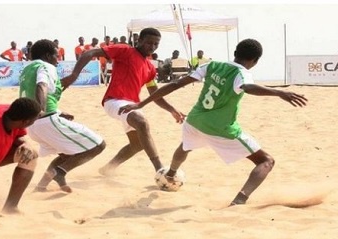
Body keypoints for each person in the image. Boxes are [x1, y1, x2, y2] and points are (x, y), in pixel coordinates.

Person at [118, 39, 308, 206]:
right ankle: (240, 200)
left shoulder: (211, 65)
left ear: (235, 53)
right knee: (266, 161)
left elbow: (175, 84)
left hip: (194, 120)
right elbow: (248, 87)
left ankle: (170, 174)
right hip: (221, 128)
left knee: (185, 146)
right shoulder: (242, 73)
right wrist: (279, 92)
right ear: (255, 62)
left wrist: (141, 103)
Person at [62, 27, 184, 175]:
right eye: (148, 43)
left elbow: (155, 94)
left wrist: (172, 109)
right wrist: (74, 75)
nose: (152, 47)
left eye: (155, 44)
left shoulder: (150, 68)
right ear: (139, 40)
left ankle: (108, 169)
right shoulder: (125, 50)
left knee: (137, 144)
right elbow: (90, 52)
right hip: (114, 101)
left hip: (133, 105)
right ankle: (160, 169)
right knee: (142, 122)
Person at [19, 39, 105, 193]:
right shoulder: (47, 66)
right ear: (47, 55)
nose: (58, 60)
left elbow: (41, 89)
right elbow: (41, 85)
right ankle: (60, 173)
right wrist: (41, 110)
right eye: (56, 56)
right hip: (44, 120)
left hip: (31, 125)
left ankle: (41, 186)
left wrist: (57, 111)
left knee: (66, 154)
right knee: (99, 145)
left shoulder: (27, 69)